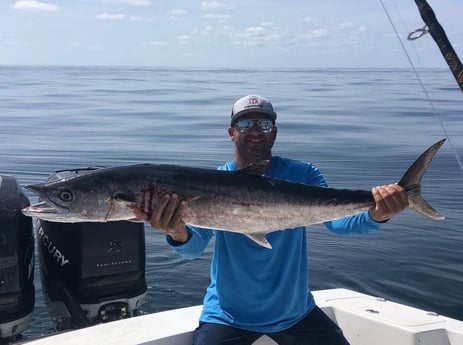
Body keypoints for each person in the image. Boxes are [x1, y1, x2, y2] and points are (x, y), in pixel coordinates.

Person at [134, 94, 409, 345]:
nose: (255, 130)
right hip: (227, 315)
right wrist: (176, 232)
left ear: (274, 133)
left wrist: (378, 213)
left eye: (264, 125)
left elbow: (338, 223)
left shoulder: (303, 174)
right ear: (232, 133)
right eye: (245, 124)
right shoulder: (212, 181)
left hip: (296, 313)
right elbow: (193, 249)